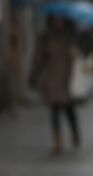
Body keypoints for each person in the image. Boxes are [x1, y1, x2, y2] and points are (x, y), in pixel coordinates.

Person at [29, 16, 80, 153]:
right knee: (55, 111)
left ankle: (75, 134)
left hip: (67, 79)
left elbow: (78, 56)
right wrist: (33, 77)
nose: (58, 21)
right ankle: (57, 141)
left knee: (69, 110)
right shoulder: (46, 37)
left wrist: (74, 54)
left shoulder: (69, 36)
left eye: (60, 19)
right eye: (56, 19)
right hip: (52, 80)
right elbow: (38, 59)